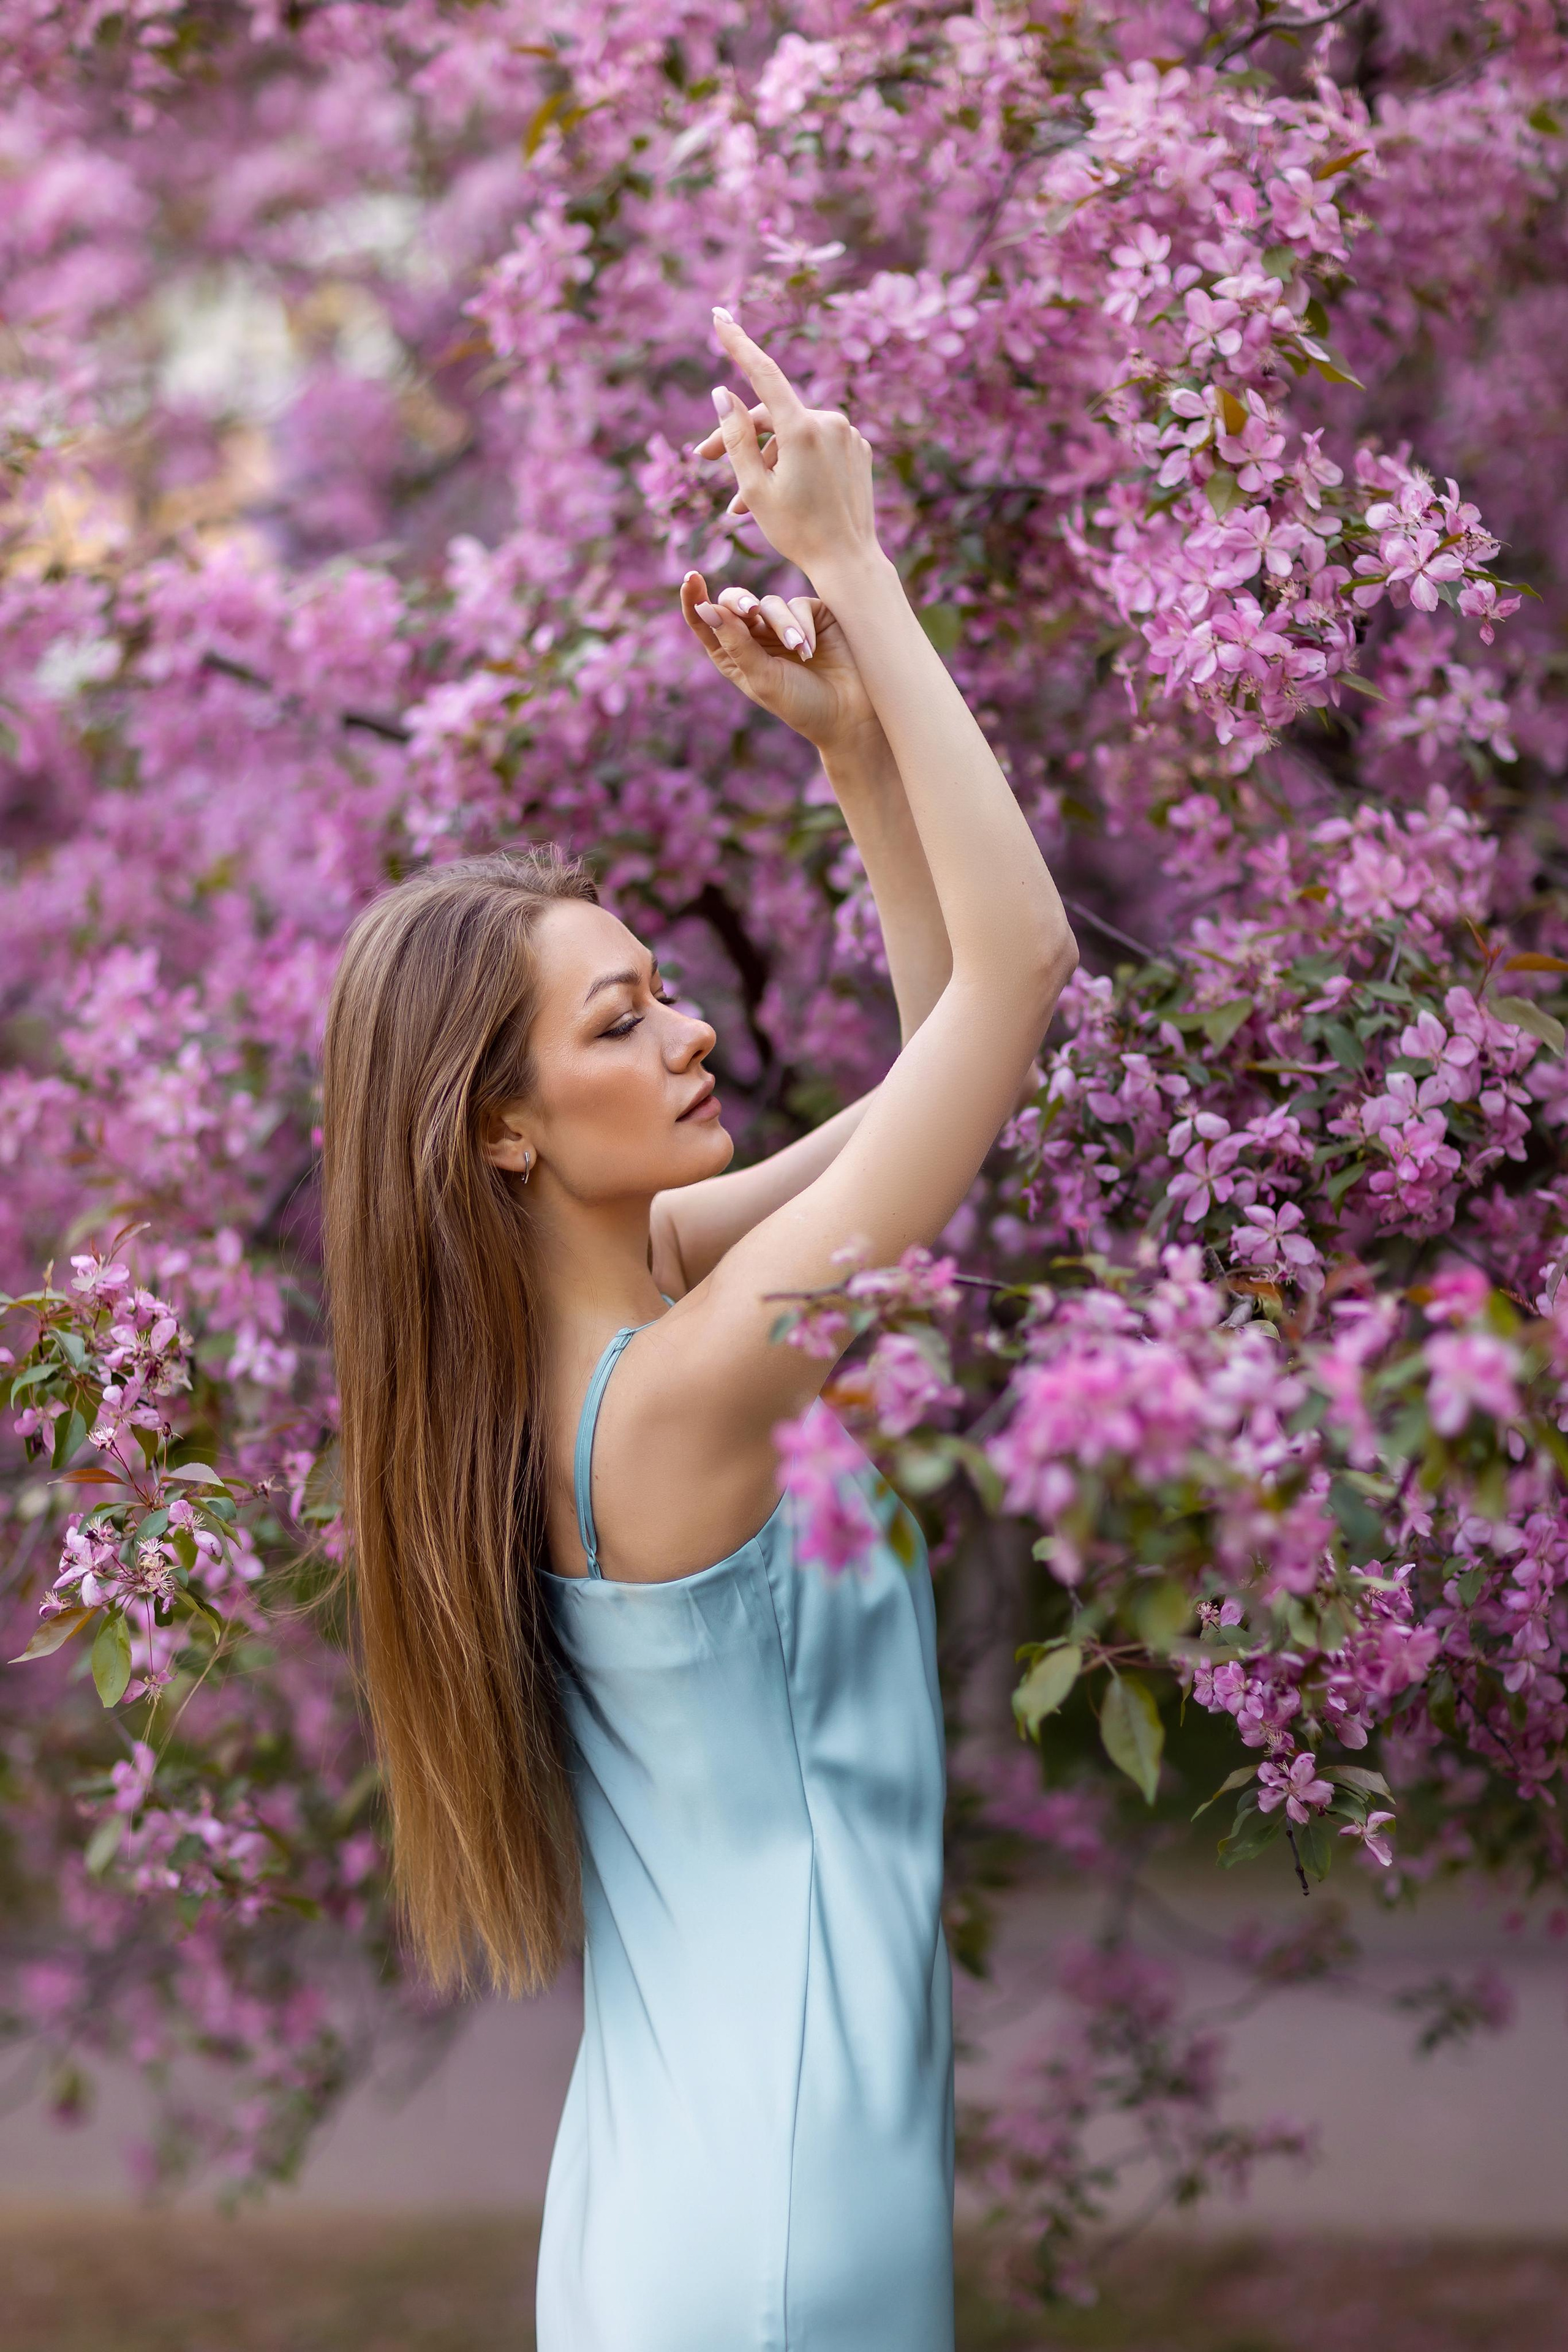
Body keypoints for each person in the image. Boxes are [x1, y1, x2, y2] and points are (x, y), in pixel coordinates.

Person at [320, 311, 1077, 2352]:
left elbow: (943, 1058)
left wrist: (851, 753)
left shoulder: (633, 1326)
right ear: (494, 1128)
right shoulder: (689, 1386)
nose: (689, 1034)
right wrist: (855, 559)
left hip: (687, 2183)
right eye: (618, 1020)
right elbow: (1023, 976)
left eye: (661, 990)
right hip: (769, 2225)